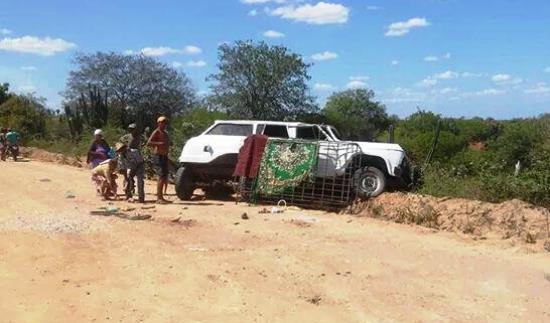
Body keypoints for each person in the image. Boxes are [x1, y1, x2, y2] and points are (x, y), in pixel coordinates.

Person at [147, 116, 171, 204]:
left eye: (165, 122)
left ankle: (161, 197)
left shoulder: (165, 133)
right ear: (158, 123)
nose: (164, 124)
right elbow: (149, 142)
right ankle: (159, 198)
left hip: (164, 156)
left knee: (164, 176)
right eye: (162, 122)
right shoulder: (156, 132)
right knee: (161, 176)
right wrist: (159, 143)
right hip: (158, 156)